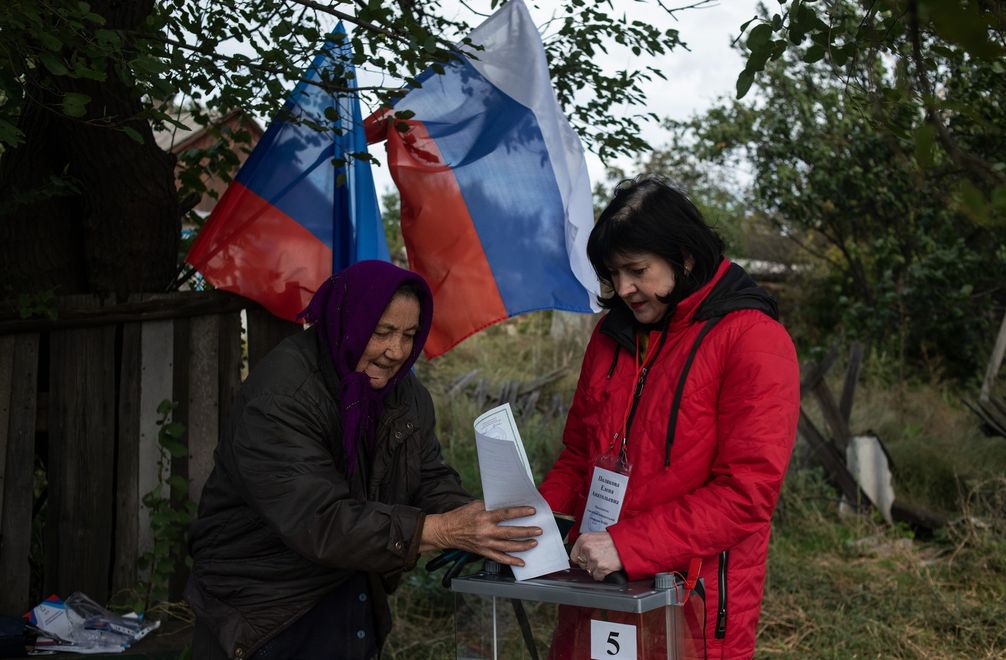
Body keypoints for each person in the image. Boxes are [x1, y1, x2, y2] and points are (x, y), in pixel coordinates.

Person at [185, 260, 542, 660]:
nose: (396, 351)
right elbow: (320, 519)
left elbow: (426, 476)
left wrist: (481, 522)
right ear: (347, 321)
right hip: (264, 607)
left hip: (351, 586)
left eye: (409, 335)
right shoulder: (281, 398)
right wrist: (441, 530)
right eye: (382, 332)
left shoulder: (404, 393)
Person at [538, 175, 800, 659]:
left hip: (689, 603)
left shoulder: (752, 340)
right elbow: (578, 452)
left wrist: (628, 545)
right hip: (595, 587)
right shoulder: (611, 336)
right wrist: (535, 523)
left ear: (684, 256)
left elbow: (746, 494)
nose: (625, 289)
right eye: (613, 275)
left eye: (637, 270)